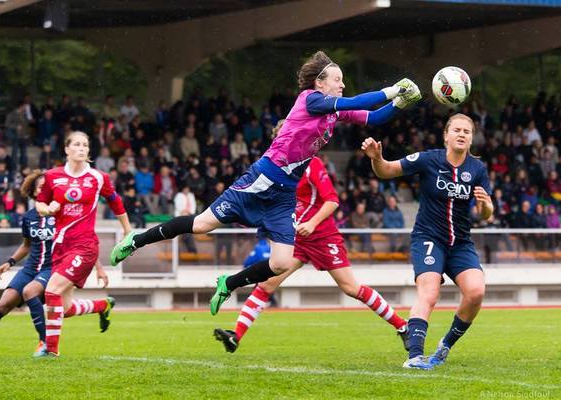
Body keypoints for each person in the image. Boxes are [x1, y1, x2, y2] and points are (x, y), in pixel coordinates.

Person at [110, 50, 421, 315]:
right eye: (336, 79)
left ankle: (228, 283)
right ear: (319, 83)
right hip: (262, 179)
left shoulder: (332, 114)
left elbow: (373, 118)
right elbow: (356, 100)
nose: (341, 85)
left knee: (281, 262)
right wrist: (393, 90)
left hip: (284, 195)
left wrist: (401, 103)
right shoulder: (311, 99)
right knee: (202, 225)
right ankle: (136, 240)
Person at [214, 156, 408, 353]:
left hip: (322, 236)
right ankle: (236, 335)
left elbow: (332, 201)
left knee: (350, 288)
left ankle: (402, 326)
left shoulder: (311, 163)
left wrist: (312, 223)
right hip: (297, 238)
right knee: (267, 284)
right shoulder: (277, 167)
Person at [362, 113, 493, 370]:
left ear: (471, 138)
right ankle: (415, 357)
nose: (462, 134)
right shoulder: (428, 159)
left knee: (476, 291)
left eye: (467, 131)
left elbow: (487, 214)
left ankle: (445, 344)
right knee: (429, 293)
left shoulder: (477, 169)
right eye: (457, 129)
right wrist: (377, 159)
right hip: (429, 238)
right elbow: (387, 171)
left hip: (460, 243)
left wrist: (485, 204)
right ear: (446, 135)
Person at [35, 131, 131, 357]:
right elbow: (40, 202)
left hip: (84, 246)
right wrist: (47, 209)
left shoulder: (98, 177)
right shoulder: (52, 176)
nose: (81, 148)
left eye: (85, 145)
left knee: (51, 291)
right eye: (76, 144)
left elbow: (115, 202)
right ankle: (102, 305)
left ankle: (51, 351)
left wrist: (127, 231)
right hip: (60, 246)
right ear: (66, 149)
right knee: (64, 308)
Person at [0, 171, 55, 359]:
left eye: (47, 186)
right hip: (30, 268)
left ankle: (45, 343)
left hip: (51, 267)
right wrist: (10, 262)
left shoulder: (60, 214)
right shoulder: (28, 217)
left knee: (30, 292)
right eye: (40, 186)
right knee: (4, 302)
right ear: (33, 192)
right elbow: (27, 245)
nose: (44, 189)